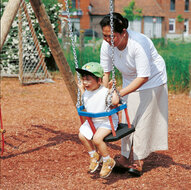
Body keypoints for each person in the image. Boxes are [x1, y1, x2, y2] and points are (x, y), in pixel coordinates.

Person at [99, 12, 168, 176]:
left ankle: (138, 160)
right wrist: (104, 95)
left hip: (152, 79)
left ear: (123, 33)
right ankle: (124, 157)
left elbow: (144, 77)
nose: (108, 40)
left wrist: (119, 93)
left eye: (112, 36)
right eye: (104, 36)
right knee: (127, 119)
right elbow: (106, 73)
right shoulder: (107, 45)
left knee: (142, 118)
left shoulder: (139, 44)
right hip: (130, 79)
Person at [76, 62, 120, 178]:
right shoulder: (87, 93)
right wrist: (81, 90)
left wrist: (112, 89)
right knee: (82, 135)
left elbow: (115, 102)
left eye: (88, 79)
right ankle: (94, 155)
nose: (85, 82)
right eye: (83, 79)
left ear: (99, 81)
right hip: (94, 121)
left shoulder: (105, 92)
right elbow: (87, 101)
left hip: (107, 120)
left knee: (97, 139)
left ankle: (107, 160)